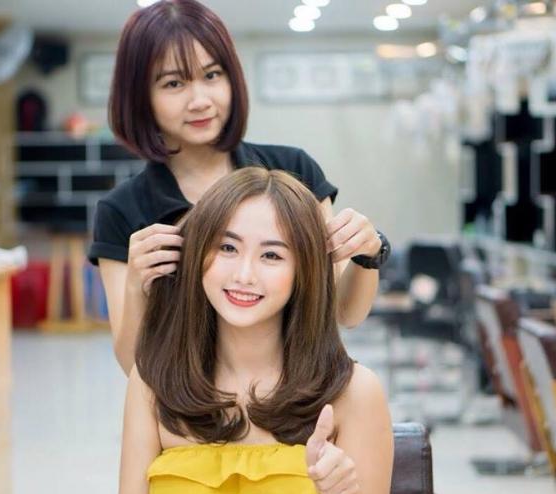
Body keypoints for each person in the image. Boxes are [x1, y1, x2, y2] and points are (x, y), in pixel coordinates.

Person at [88, 0, 391, 374]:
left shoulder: (293, 171)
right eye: (174, 83)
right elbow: (132, 365)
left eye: (212, 75)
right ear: (140, 97)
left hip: (298, 394)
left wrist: (368, 253)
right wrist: (137, 285)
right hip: (189, 403)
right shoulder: (123, 210)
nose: (200, 101)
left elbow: (345, 312)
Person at [113, 167, 395, 494]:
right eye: (227, 248)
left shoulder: (356, 392)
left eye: (272, 255)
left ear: (304, 271)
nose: (244, 275)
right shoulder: (151, 383)